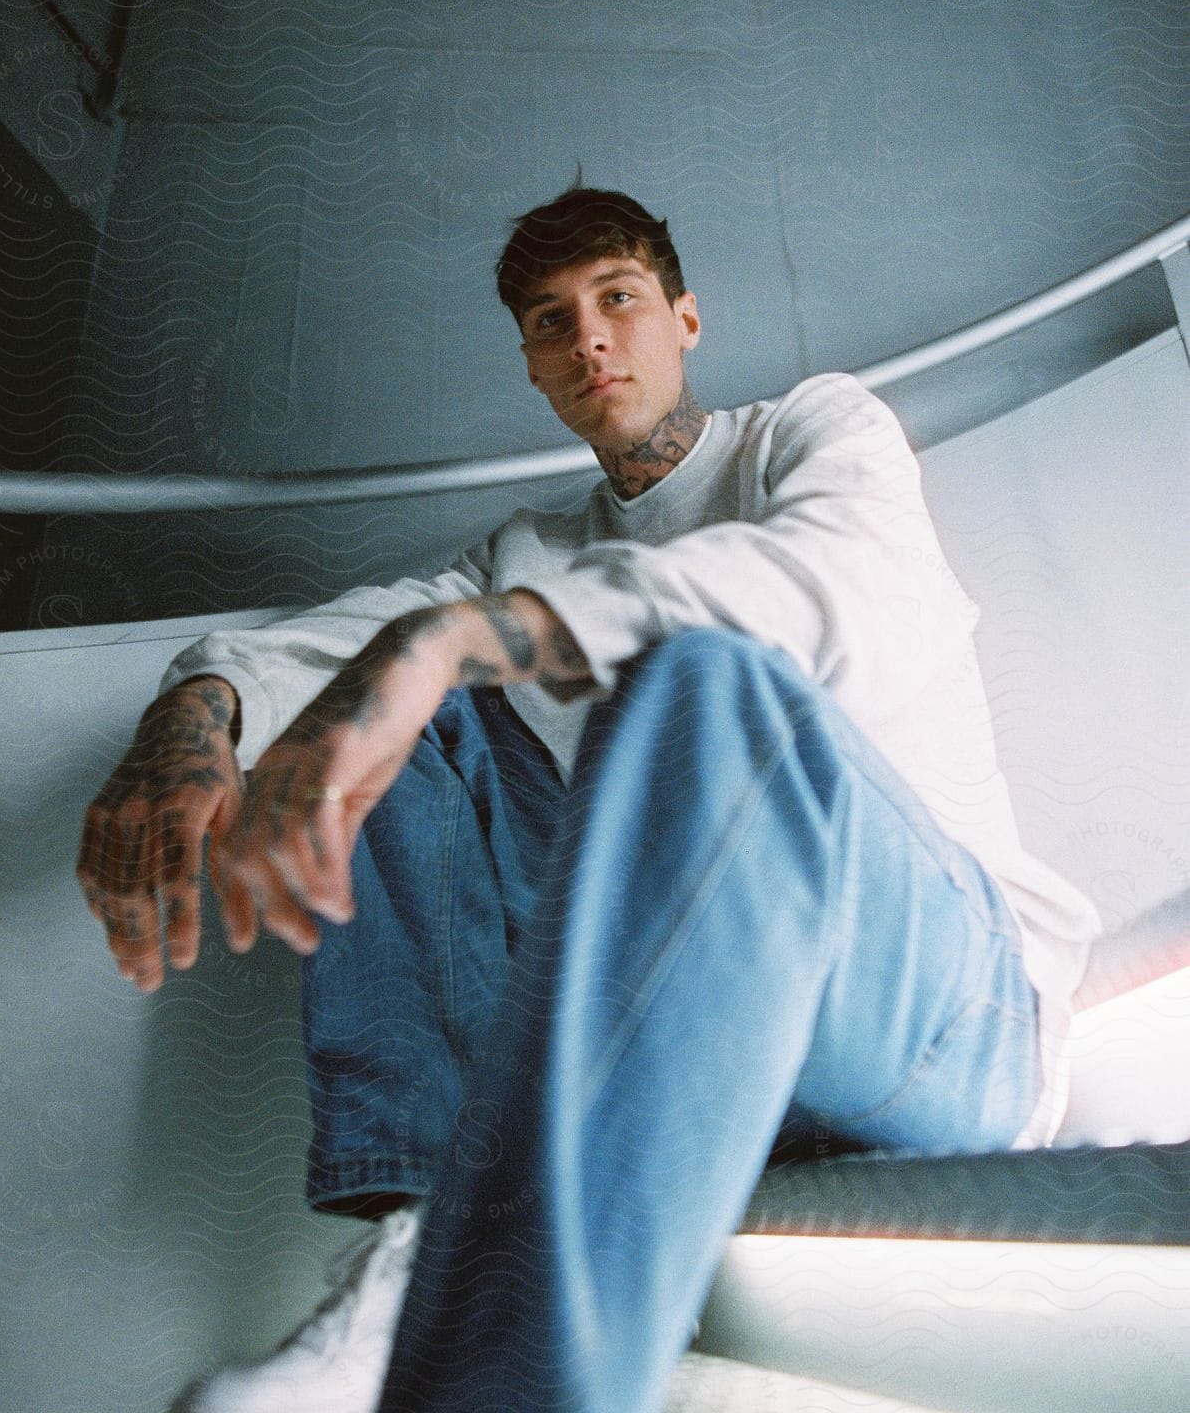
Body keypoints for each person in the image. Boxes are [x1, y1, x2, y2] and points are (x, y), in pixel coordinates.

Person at [76, 182, 1101, 1413]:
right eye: (552, 324)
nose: (591, 340)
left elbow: (844, 583)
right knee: (408, 708)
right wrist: (196, 713)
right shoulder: (526, 552)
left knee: (705, 687)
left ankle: (503, 1371)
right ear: (534, 366)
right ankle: (427, 1234)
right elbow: (327, 642)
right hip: (729, 1073)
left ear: (684, 316)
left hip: (948, 1022)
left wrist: (462, 638)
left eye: (617, 300)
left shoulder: (815, 432)